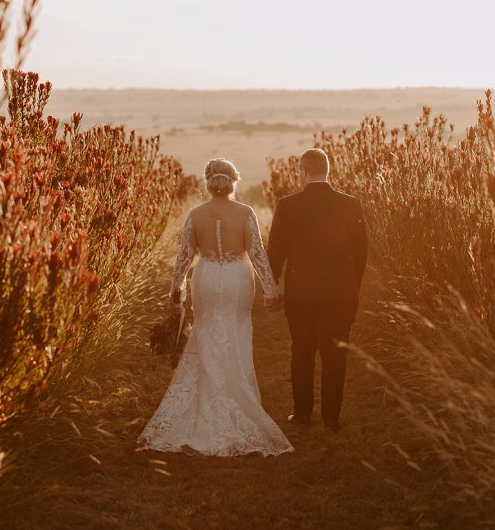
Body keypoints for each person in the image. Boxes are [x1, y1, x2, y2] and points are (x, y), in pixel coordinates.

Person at [137, 159, 293, 456]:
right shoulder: (245, 213)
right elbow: (258, 255)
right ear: (233, 182)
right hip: (237, 280)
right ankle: (236, 394)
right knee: (236, 332)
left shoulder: (195, 214)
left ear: (209, 182)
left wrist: (176, 293)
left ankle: (205, 397)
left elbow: (183, 257)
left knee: (205, 331)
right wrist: (271, 291)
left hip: (206, 277)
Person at [267, 148, 368, 433]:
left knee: (302, 352)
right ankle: (331, 419)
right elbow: (361, 251)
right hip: (341, 294)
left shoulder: (287, 206)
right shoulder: (351, 204)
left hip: (301, 295)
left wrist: (272, 287)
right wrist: (352, 285)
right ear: (327, 171)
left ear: (303, 172)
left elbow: (276, 252)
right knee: (335, 356)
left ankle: (302, 414)